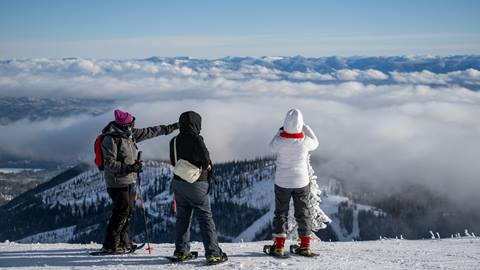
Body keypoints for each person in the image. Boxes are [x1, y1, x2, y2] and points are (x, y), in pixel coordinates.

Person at [100, 109, 178, 253]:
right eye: (131, 123)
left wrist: (172, 127)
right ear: (124, 124)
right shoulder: (110, 139)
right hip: (116, 182)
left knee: (128, 211)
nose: (133, 126)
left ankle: (123, 241)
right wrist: (130, 167)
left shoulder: (130, 135)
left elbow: (151, 131)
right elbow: (109, 163)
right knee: (121, 212)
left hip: (129, 180)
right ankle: (110, 244)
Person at [169, 111, 227, 265]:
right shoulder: (196, 138)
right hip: (197, 185)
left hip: (178, 183)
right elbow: (205, 157)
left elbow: (173, 161)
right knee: (205, 218)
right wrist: (205, 167)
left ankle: (181, 251)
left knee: (182, 218)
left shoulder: (174, 141)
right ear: (196, 124)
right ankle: (213, 254)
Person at [268, 108, 319, 257]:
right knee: (303, 213)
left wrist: (280, 131)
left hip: (282, 182)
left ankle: (279, 246)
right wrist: (307, 129)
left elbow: (270, 146)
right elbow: (316, 143)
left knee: (280, 213)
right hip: (301, 181)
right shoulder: (304, 141)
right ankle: (304, 246)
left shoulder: (280, 141)